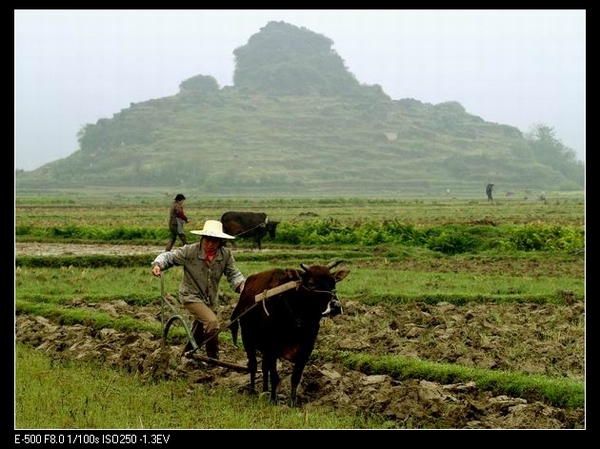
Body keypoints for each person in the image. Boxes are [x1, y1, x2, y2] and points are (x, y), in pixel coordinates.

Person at [151, 220, 245, 360]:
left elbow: (233, 274)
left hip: (210, 300)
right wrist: (158, 264)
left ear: (220, 242)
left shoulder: (225, 255)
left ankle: (186, 355)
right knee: (212, 322)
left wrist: (242, 285)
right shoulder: (190, 251)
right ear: (203, 238)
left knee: (200, 330)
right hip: (191, 296)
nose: (210, 245)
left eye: (215, 241)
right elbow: (169, 256)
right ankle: (214, 360)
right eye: (208, 240)